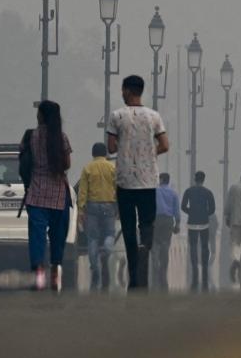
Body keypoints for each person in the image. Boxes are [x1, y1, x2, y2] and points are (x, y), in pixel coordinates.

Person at [106, 75, 171, 291]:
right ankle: (145, 248)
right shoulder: (154, 116)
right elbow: (165, 144)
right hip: (148, 180)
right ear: (141, 91)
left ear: (127, 90)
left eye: (123, 90)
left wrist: (127, 148)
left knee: (127, 227)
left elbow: (111, 147)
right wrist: (149, 153)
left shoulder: (117, 116)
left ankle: (134, 272)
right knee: (146, 224)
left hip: (125, 181)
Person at [23, 101, 73, 292]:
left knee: (37, 234)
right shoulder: (62, 138)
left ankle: (38, 268)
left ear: (41, 116)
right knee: (58, 234)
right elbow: (67, 164)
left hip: (36, 193)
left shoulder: (31, 136)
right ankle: (56, 267)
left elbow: (25, 161)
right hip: (58, 193)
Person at [77, 141, 117, 292]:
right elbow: (118, 187)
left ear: (93, 153)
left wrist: (81, 209)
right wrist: (118, 207)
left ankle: (95, 269)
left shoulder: (88, 168)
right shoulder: (112, 167)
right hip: (109, 205)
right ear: (106, 153)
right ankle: (106, 249)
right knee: (109, 234)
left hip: (92, 206)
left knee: (92, 238)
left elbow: (83, 191)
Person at [181, 171, 215, 292]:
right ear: (203, 179)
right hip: (204, 223)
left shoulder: (188, 191)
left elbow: (183, 206)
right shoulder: (208, 192)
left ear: (195, 179)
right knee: (205, 246)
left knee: (193, 246)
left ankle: (195, 268)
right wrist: (205, 214)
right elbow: (212, 208)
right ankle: (204, 267)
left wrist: (191, 212)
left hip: (192, 224)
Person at [152, 173, 180, 291]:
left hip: (156, 220)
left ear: (162, 179)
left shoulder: (154, 191)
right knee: (165, 244)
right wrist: (177, 224)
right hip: (168, 221)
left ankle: (155, 265)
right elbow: (176, 210)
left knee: (154, 244)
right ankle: (163, 266)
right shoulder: (173, 193)